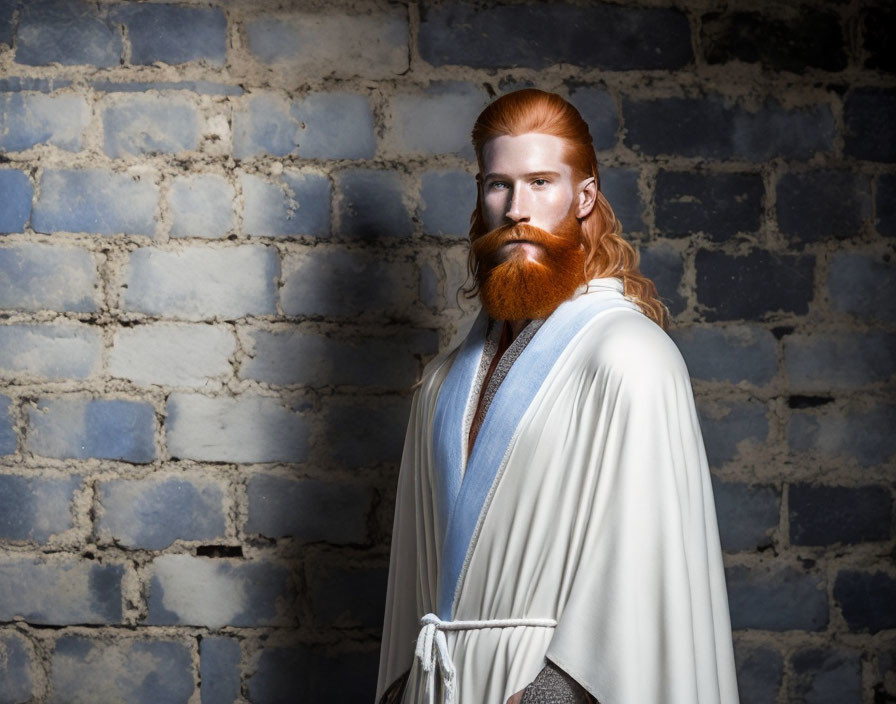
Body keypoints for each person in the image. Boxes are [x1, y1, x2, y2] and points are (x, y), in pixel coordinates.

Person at [376, 89, 739, 704]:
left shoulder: (629, 357)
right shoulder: (440, 385)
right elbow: (417, 580)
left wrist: (548, 695)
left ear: (585, 195)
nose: (518, 209)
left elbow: (642, 569)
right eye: (499, 185)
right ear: (481, 196)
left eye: (542, 182)